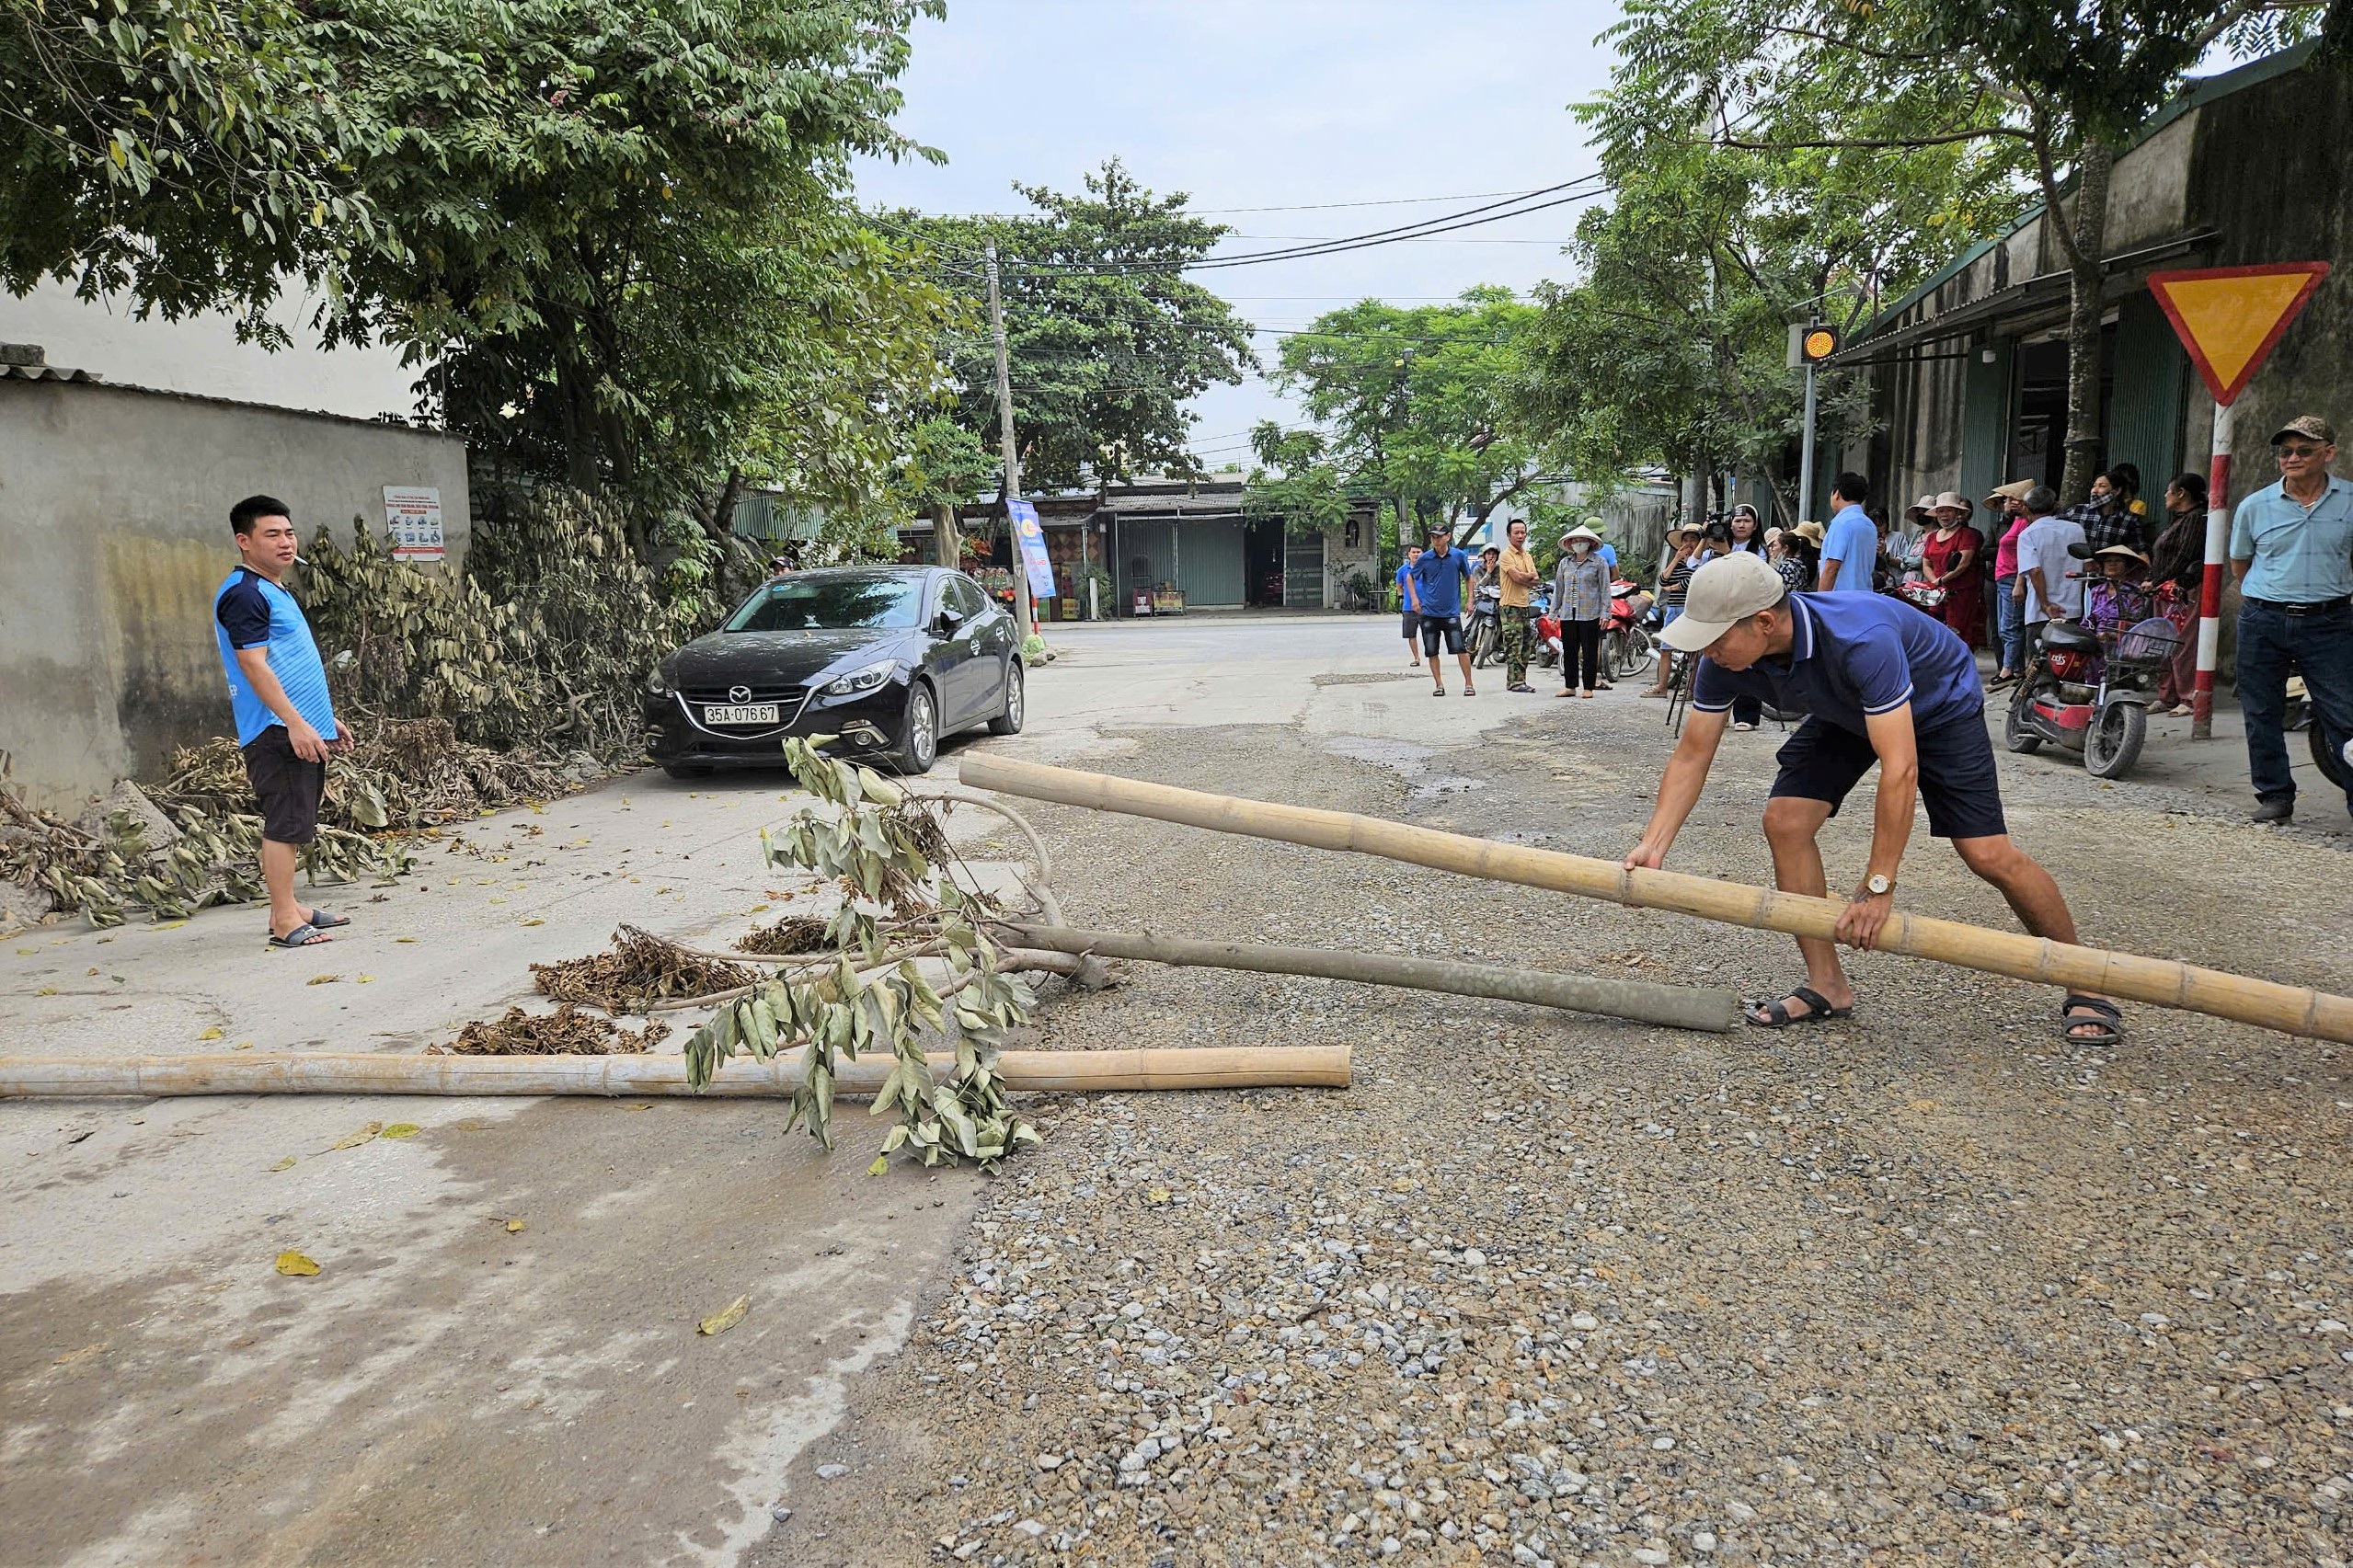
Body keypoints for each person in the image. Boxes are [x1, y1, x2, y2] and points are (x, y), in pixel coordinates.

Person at [1624, 552, 2122, 1043]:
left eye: (1714, 640)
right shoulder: (1725, 658)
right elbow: (1692, 755)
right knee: (1786, 821)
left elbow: (1900, 767)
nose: (1706, 652)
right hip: (1846, 710)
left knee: (1987, 854)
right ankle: (1828, 985)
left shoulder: (1861, 638)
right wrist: (1654, 845)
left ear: (1763, 622)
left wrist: (1879, 883)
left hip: (1937, 705)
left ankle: (2084, 978)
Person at [213, 496, 354, 948]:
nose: (285, 542)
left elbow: (291, 664)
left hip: (294, 723)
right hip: (275, 729)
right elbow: (254, 665)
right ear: (244, 541)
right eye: (271, 534)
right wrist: (295, 723)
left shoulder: (273, 590)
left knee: (296, 820)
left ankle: (291, 906)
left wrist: (322, 718)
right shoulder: (244, 595)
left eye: (289, 532)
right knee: (285, 823)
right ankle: (283, 921)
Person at [2229, 414, 2353, 823]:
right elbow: (2240, 565)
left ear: (2328, 453)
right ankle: (2275, 795)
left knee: (2344, 714)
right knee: (2262, 710)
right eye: (2286, 451)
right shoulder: (2255, 506)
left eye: (2304, 450)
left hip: (2330, 622)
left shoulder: (2350, 501)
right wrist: (2275, 597)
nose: (2292, 457)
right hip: (2264, 619)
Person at [2144, 473, 2209, 716]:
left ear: (2181, 493)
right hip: (2165, 590)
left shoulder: (2194, 519)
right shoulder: (2178, 520)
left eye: (2169, 491)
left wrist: (2156, 580)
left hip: (2183, 589)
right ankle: (2167, 695)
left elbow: (2184, 556)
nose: (2165, 495)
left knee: (2182, 642)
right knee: (2164, 641)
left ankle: (2188, 696)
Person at [1406, 521, 1477, 697]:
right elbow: (1410, 577)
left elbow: (1469, 577)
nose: (1436, 540)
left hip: (1451, 612)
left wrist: (1470, 599)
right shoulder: (1425, 558)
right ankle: (1439, 685)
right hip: (1429, 612)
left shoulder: (1458, 556)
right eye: (1433, 537)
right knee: (1432, 650)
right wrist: (1415, 599)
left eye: (1439, 537)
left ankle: (1469, 684)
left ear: (1448, 536)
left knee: (1461, 649)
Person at [2013, 486, 2085, 647]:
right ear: (2056, 506)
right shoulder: (2076, 530)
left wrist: (2045, 604)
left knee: (2038, 665)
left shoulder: (2028, 534)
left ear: (2025, 509)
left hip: (2040, 613)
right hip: (2071, 610)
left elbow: (2035, 571)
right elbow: (2087, 567)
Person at [1919, 491, 1985, 650]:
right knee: (1933, 628)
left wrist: (1941, 581)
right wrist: (1935, 582)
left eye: (1949, 510)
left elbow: (1963, 564)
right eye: (1940, 511)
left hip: (1961, 592)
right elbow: (1926, 563)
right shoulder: (1932, 537)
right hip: (1937, 592)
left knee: (1959, 633)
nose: (1944, 515)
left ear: (1958, 513)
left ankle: (1961, 669)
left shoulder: (1967, 535)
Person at [1985, 479, 2035, 686]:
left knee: (2010, 626)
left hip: (2013, 576)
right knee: (2005, 626)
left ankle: (2006, 670)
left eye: (2010, 499)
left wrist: (2019, 583)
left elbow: (2026, 553)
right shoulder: (2010, 523)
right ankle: (2016, 669)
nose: (2007, 504)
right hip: (2002, 577)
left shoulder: (2025, 522)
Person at [1644, 525, 1704, 697]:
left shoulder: (1700, 562)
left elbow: (1692, 581)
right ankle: (1662, 686)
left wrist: (1672, 587)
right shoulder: (1678, 563)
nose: (1688, 544)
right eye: (1685, 540)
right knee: (1665, 648)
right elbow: (1663, 580)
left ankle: (1690, 689)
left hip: (1690, 608)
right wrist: (1676, 559)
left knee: (1693, 651)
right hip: (1673, 608)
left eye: (1693, 540)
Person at [1552, 525, 1609, 699]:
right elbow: (1559, 588)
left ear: (1590, 543)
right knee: (1569, 650)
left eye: (1582, 540)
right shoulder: (1565, 563)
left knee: (1590, 651)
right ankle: (1570, 686)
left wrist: (1606, 613)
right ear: (1570, 544)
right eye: (1575, 541)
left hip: (1590, 613)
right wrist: (1553, 612)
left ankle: (1589, 687)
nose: (1578, 543)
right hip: (1568, 613)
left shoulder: (1599, 562)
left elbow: (1605, 589)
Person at [1497, 519, 1541, 694]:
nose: (1520, 535)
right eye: (1516, 532)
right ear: (1509, 536)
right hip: (1509, 606)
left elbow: (1536, 579)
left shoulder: (1527, 556)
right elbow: (1518, 578)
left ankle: (1520, 680)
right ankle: (1514, 682)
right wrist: (1527, 577)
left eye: (1523, 532)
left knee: (1525, 645)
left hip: (1524, 605)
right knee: (1513, 644)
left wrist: (1527, 577)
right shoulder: (1506, 555)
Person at [1817, 473, 1877, 593]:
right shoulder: (1869, 524)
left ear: (1837, 494)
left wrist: (1819, 601)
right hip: (1864, 596)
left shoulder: (1841, 523)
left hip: (1840, 600)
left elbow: (1832, 567)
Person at [2082, 544, 2153, 637]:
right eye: (2108, 561)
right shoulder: (2096, 592)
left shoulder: (2135, 592)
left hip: (2126, 643)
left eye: (2118, 561)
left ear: (2127, 566)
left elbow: (2137, 624)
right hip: (2096, 643)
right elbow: (2086, 623)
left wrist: (2113, 635)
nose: (2112, 564)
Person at [1396, 544, 1424, 667]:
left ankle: (1432, 655)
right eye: (1414, 552)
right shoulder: (1402, 570)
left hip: (1426, 606)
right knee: (1411, 634)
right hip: (1409, 607)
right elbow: (1399, 586)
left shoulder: (1426, 568)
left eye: (1418, 552)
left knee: (1429, 633)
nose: (1416, 554)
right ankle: (1416, 658)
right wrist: (1409, 596)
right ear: (1409, 554)